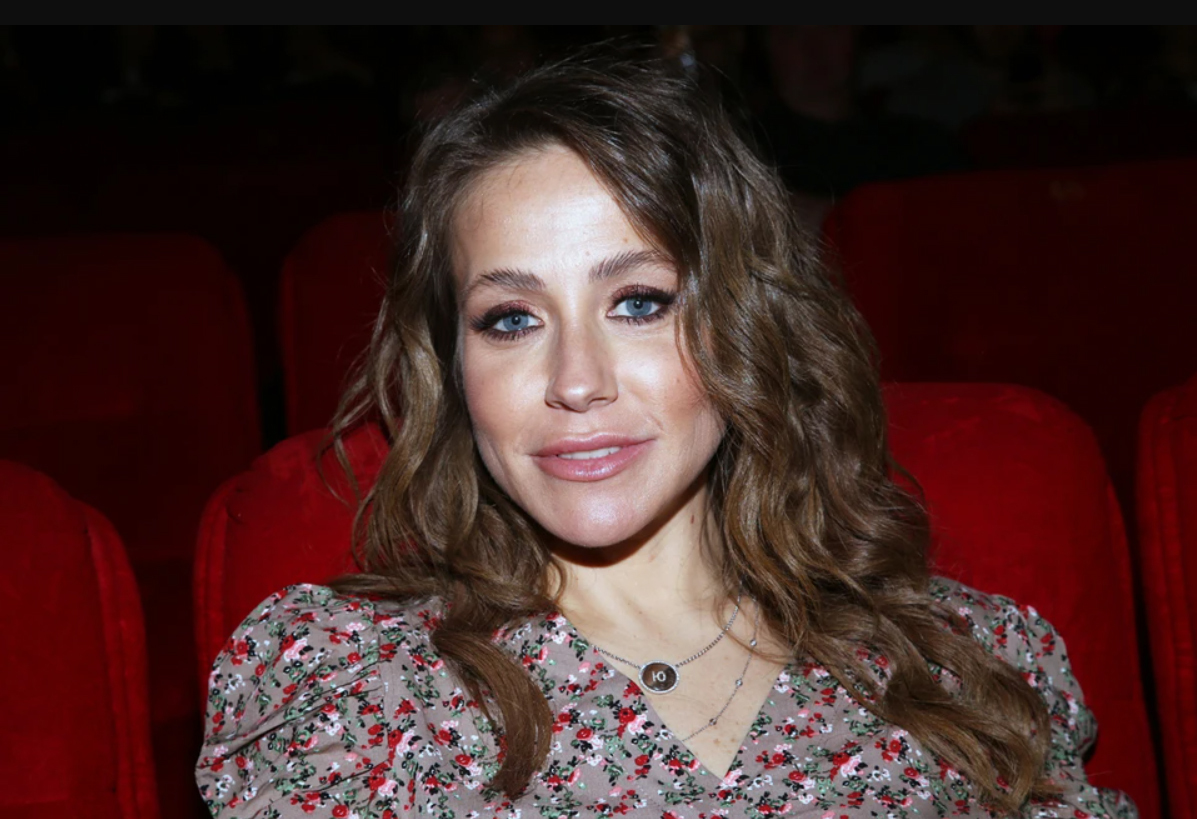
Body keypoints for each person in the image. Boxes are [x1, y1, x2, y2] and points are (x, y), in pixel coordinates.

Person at [195, 51, 1136, 818]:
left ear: (743, 326)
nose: (576, 381)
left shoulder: (960, 666)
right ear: (453, 368)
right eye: (511, 319)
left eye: (638, 302)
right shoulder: (347, 685)